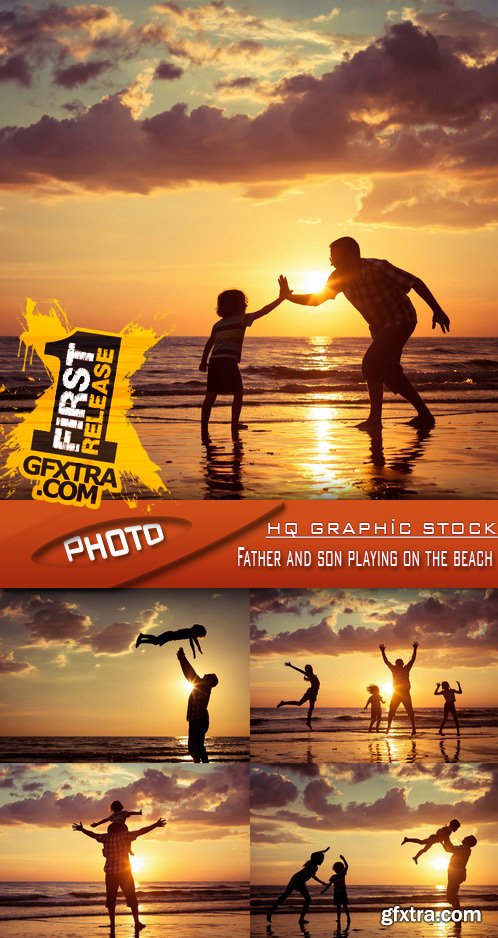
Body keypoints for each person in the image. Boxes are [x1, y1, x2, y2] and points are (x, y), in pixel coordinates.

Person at [280, 237, 450, 431]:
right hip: (379, 328)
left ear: (353, 256)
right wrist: (288, 297)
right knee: (391, 373)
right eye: (332, 260)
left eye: (338, 259)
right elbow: (317, 300)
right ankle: (425, 415)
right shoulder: (337, 278)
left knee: (370, 364)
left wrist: (437, 310)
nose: (334, 264)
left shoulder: (378, 268)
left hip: (401, 319)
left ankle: (374, 421)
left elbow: (414, 282)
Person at [199, 277, 288, 442]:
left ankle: (204, 426)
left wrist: (204, 361)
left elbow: (209, 343)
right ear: (236, 306)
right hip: (229, 362)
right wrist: (281, 298)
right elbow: (264, 311)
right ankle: (234, 424)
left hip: (215, 361)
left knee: (211, 395)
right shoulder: (242, 319)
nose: (246, 305)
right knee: (238, 393)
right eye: (243, 303)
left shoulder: (217, 324)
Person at [72, 817, 166, 936]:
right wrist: (155, 825)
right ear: (121, 830)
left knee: (111, 900)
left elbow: (93, 834)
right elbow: (141, 831)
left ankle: (112, 923)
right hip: (124, 873)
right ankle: (137, 922)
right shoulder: (124, 836)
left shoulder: (105, 838)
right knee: (131, 897)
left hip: (110, 874)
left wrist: (82, 829)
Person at [267, 847, 330, 926]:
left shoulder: (315, 868)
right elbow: (313, 854)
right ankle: (270, 912)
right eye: (322, 859)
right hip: (296, 880)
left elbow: (313, 876)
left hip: (301, 882)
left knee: (308, 900)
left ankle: (301, 919)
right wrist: (323, 851)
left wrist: (322, 882)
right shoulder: (311, 864)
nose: (322, 861)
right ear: (317, 859)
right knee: (285, 896)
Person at [177, 647, 218, 763]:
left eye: (208, 675)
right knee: (194, 748)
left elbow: (189, 673)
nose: (205, 674)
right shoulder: (201, 685)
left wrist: (182, 658)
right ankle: (200, 762)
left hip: (199, 721)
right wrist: (181, 659)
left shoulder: (204, 687)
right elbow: (189, 674)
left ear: (210, 681)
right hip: (195, 720)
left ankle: (203, 763)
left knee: (196, 746)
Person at [379, 642, 418, 736]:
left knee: (410, 712)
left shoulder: (406, 669)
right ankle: (388, 728)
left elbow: (412, 660)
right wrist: (383, 651)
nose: (399, 664)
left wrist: (415, 649)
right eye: (397, 663)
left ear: (402, 664)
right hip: (396, 693)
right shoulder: (394, 669)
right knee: (391, 711)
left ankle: (413, 729)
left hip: (405, 692)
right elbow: (386, 661)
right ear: (396, 664)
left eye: (400, 663)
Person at [277, 661, 320, 729]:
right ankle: (284, 703)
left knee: (307, 707)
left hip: (313, 693)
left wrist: (307, 679)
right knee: (302, 704)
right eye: (307, 669)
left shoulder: (313, 676)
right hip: (311, 692)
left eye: (308, 669)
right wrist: (291, 666)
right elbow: (299, 670)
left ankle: (308, 722)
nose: (308, 670)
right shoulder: (310, 675)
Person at [442, 834, 477, 910]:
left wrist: (446, 836)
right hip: (455, 874)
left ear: (470, 842)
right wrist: (444, 839)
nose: (464, 837)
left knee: (452, 895)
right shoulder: (464, 848)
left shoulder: (464, 848)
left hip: (456, 874)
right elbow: (447, 849)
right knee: (450, 897)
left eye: (466, 837)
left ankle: (457, 915)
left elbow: (449, 848)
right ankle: (457, 914)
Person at [136, 623, 206, 659]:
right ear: (197, 631)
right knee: (156, 641)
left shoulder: (191, 633)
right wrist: (194, 651)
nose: (197, 636)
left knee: (156, 641)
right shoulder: (190, 632)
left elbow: (195, 640)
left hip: (170, 637)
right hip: (169, 635)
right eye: (198, 635)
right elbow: (192, 642)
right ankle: (142, 637)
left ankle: (142, 638)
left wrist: (199, 648)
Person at [321, 854, 351, 932]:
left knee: (345, 906)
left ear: (340, 869)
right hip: (336, 893)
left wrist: (343, 859)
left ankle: (348, 918)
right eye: (336, 869)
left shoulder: (342, 874)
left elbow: (347, 866)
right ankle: (338, 919)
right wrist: (324, 890)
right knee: (338, 907)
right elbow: (330, 885)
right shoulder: (333, 876)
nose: (336, 870)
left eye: (338, 869)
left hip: (342, 892)